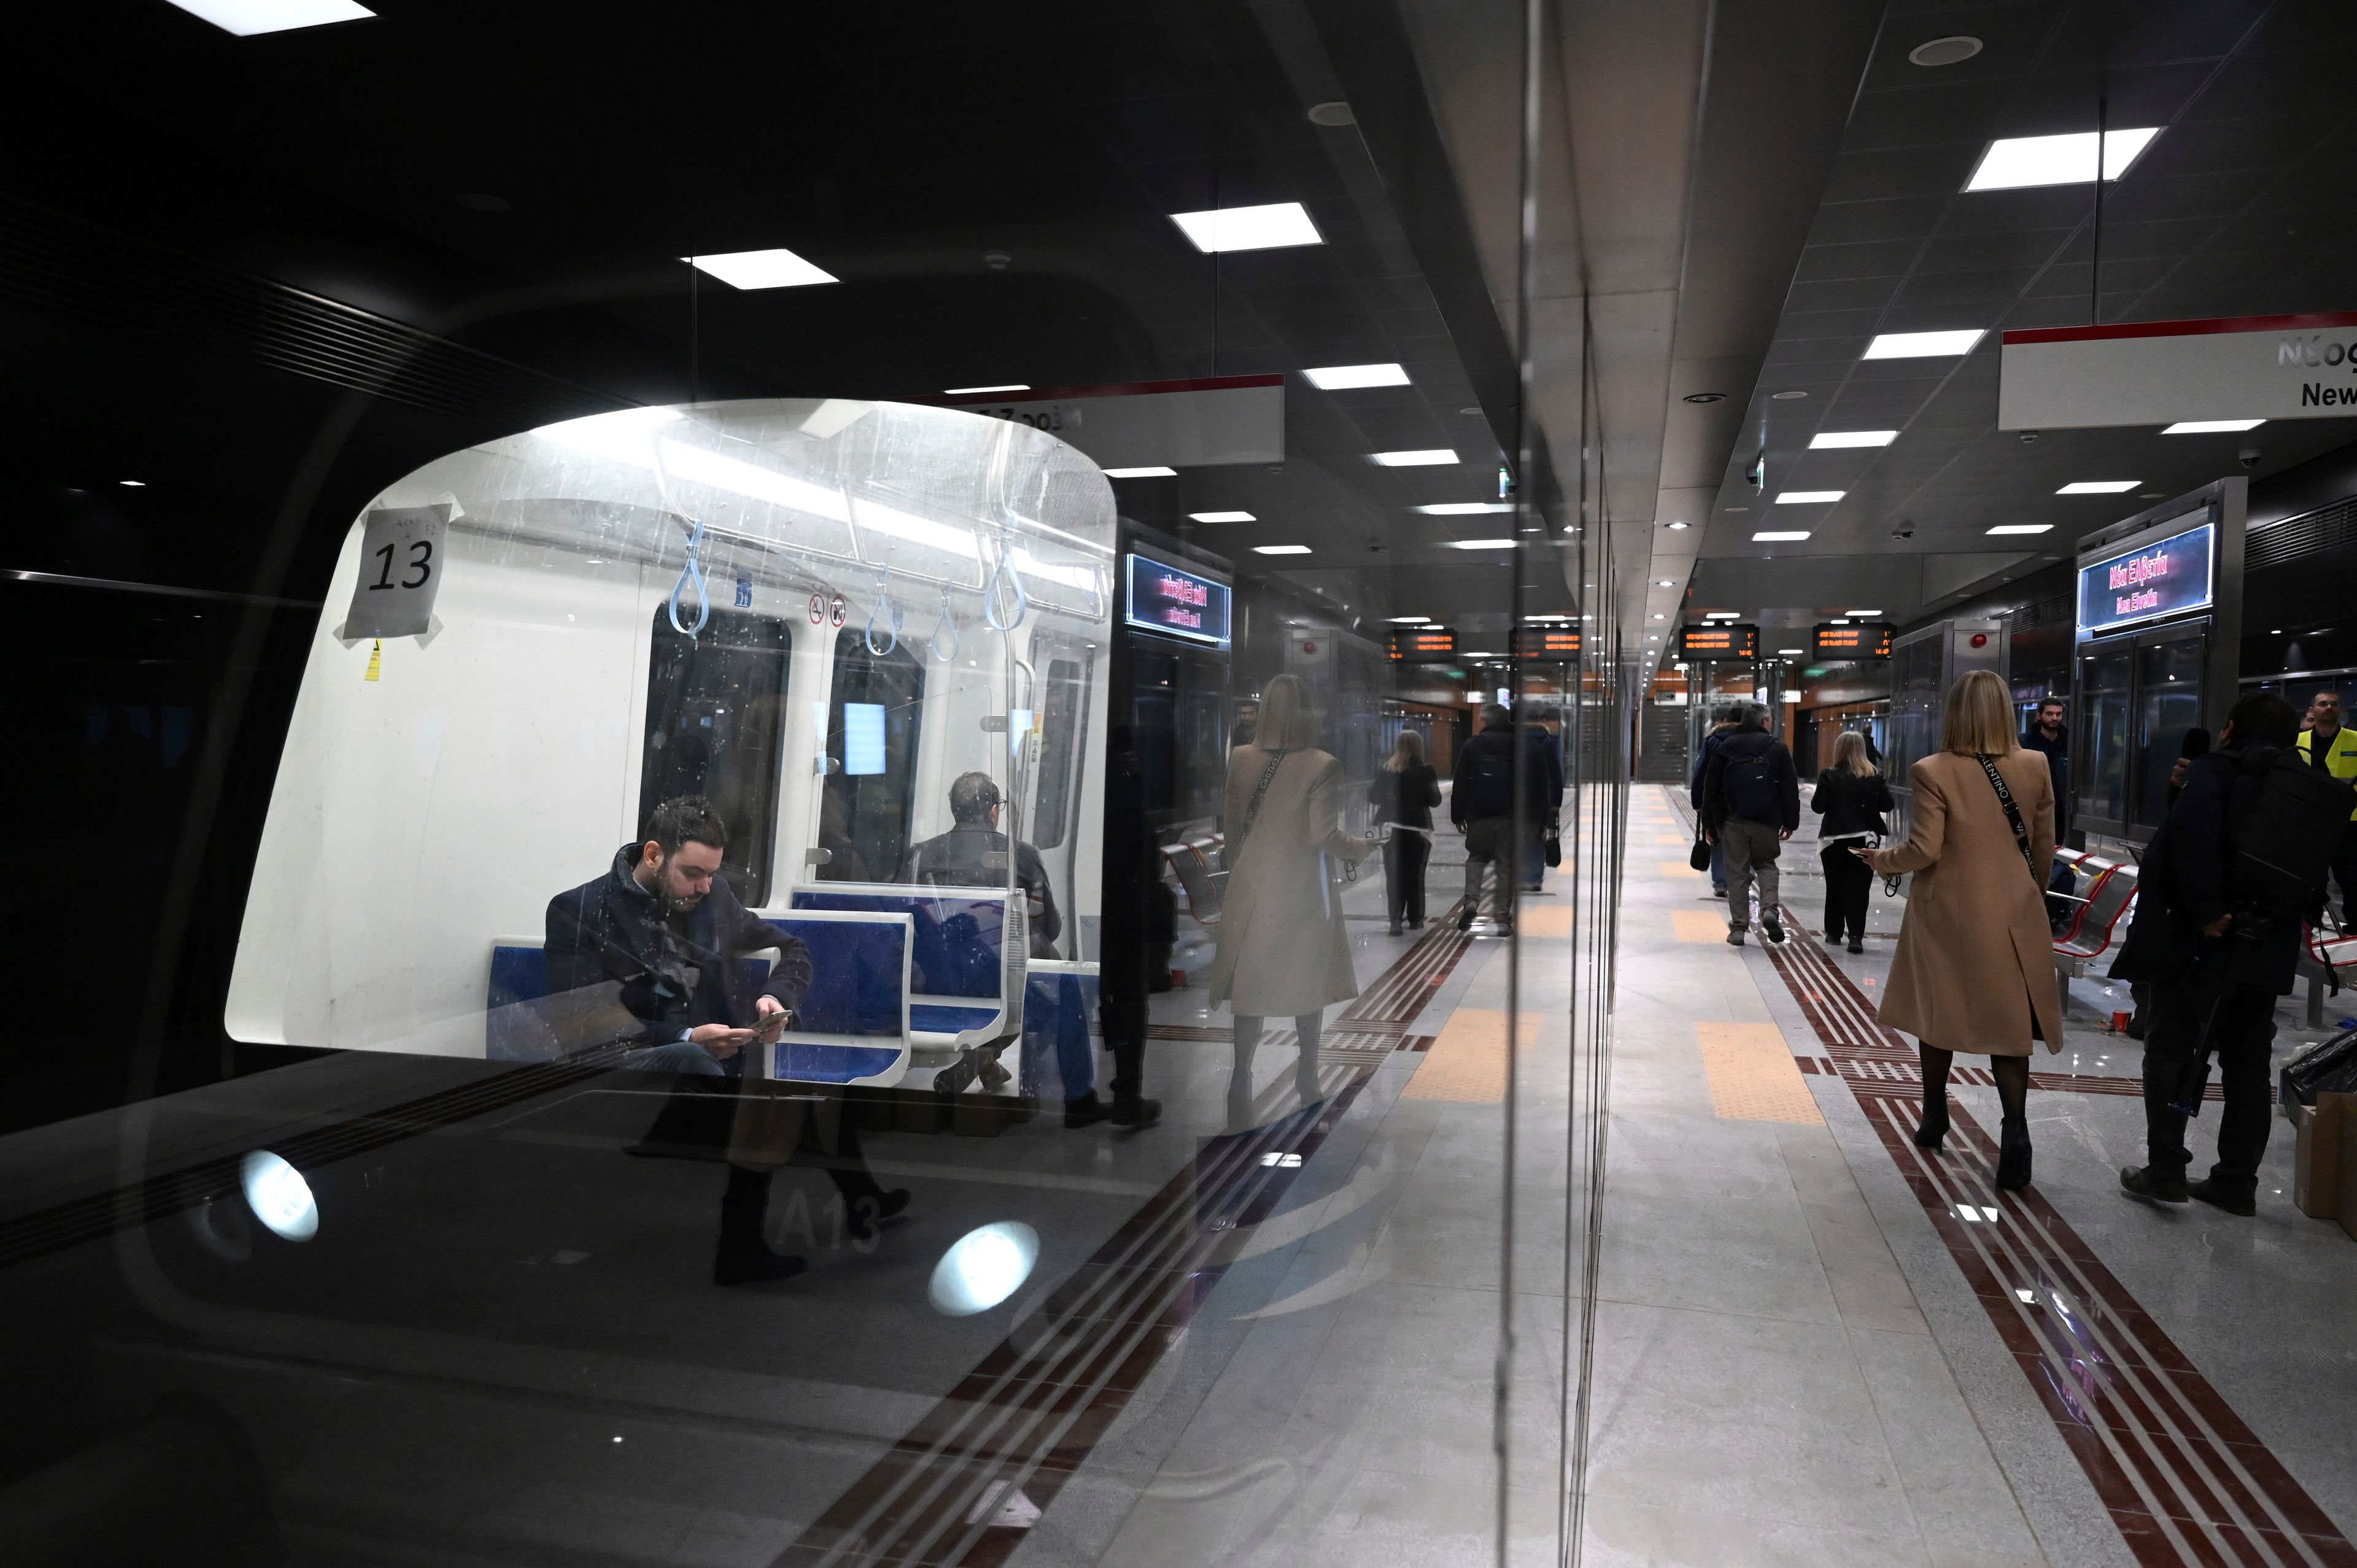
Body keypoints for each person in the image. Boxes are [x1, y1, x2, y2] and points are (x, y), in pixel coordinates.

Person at [544, 795, 907, 1285]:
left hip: (708, 1066)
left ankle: (856, 1205)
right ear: (654, 855)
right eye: (693, 873)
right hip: (623, 1063)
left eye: (711, 873)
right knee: (767, 1095)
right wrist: (686, 1033)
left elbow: (792, 948)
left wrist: (776, 997)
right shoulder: (580, 910)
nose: (705, 886)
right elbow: (581, 1021)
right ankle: (743, 1245)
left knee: (803, 1091)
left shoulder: (713, 898)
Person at [1865, 671, 2064, 1191]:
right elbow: (2044, 844)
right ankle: (2015, 1133)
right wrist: (2027, 893)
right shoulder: (2036, 764)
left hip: (1948, 914)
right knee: (2009, 1027)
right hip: (2014, 913)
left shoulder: (1932, 770)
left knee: (1940, 1013)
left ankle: (1934, 1117)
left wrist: (1882, 860)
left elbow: (1926, 849)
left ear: (1956, 712)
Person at [2116, 694, 2306, 1215]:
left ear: (2229, 730)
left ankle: (2167, 1168)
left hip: (2201, 943)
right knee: (2248, 1062)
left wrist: (2207, 912)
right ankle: (2236, 1181)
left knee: (2172, 1046)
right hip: (2267, 943)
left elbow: (2192, 843)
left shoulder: (2213, 772)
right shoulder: (2303, 786)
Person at [1205, 673, 1376, 1127]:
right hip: (1300, 891)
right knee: (1306, 982)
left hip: (1250, 888)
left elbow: (1232, 829)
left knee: (1250, 990)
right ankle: (1306, 1073)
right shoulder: (1323, 765)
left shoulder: (1240, 758)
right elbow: (1323, 836)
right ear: (1306, 713)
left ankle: (1240, 1078)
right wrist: (1361, 846)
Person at [898, 771, 1093, 1121]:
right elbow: (1049, 925)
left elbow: (903, 916)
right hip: (998, 978)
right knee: (1063, 988)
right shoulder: (1022, 854)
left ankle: (985, 1060)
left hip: (936, 977)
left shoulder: (920, 855)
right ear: (993, 810)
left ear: (955, 810)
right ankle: (1075, 1097)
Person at [1094, 727, 1164, 1130]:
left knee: (1094, 995)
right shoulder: (1121, 789)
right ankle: (1126, 1094)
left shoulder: (1084, 780)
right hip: (1123, 906)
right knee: (1129, 996)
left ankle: (1078, 1097)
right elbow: (1143, 852)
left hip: (1090, 902)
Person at [1702, 703, 1799, 946]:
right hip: (1767, 819)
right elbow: (1789, 787)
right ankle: (1769, 910)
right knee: (1766, 864)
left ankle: (1738, 929)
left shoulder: (1725, 747)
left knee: (1737, 872)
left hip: (1734, 821)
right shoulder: (1777, 747)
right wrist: (1790, 821)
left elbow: (1710, 788)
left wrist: (1710, 824)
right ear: (1765, 722)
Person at [1450, 703, 1552, 933]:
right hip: (1513, 818)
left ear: (1486, 721)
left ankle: (1472, 901)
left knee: (1476, 859)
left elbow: (1460, 783)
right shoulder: (1528, 746)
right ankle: (1502, 918)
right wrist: (1543, 821)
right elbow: (1540, 786)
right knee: (1506, 867)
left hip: (1480, 816)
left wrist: (1458, 815)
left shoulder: (1474, 745)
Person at [1811, 730, 1891, 954]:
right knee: (1858, 888)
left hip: (1833, 840)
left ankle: (1834, 933)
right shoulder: (1875, 774)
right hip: (1865, 840)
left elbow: (1818, 807)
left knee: (1834, 886)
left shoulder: (1829, 774)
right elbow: (1888, 805)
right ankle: (1856, 936)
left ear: (1840, 749)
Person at [1370, 729, 1442, 934]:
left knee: (1394, 876)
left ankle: (1395, 921)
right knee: (1415, 875)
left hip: (1390, 830)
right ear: (1419, 747)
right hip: (1417, 830)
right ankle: (1416, 919)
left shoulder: (1385, 771)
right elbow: (1435, 800)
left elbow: (1373, 797)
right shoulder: (1426, 771)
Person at [2299, 690, 2357, 923]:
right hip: (2311, 821)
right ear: (2313, 710)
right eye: (2323, 704)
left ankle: (2355, 927)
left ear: (2340, 709)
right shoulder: (2298, 741)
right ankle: (2311, 924)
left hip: (2349, 822)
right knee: (2311, 879)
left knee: (2352, 879)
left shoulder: (2355, 739)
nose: (2329, 708)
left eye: (2334, 704)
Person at [1690, 705, 1740, 898]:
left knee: (1717, 838)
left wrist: (1698, 802)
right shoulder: (1752, 741)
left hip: (1717, 798)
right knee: (1743, 839)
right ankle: (1742, 877)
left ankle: (1721, 883)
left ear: (1725, 722)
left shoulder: (1713, 741)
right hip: (1743, 799)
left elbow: (1700, 772)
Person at [1521, 707, 1566, 891]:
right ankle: (1533, 878)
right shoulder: (1548, 742)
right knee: (1539, 835)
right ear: (1543, 720)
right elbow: (1555, 773)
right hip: (1542, 797)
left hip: (1518, 796)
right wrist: (1556, 802)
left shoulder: (1517, 742)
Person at [2021, 697, 2070, 843]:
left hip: (2060, 808)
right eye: (2050, 714)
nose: (2055, 718)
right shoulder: (2025, 742)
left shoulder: (2068, 743)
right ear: (2039, 715)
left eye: (2058, 714)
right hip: (2034, 806)